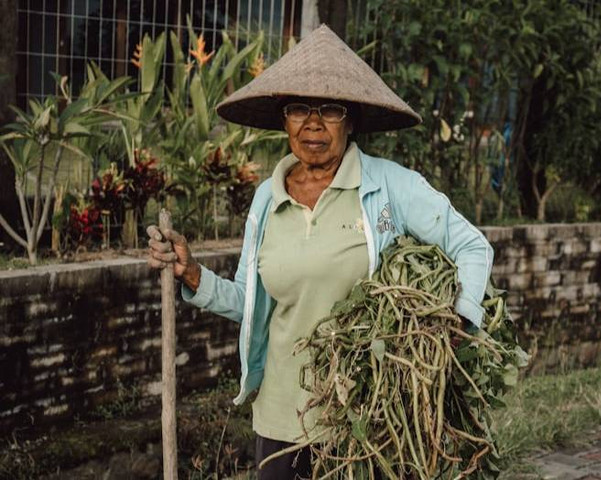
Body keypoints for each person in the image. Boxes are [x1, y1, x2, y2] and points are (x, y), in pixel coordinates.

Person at [147, 25, 494, 480]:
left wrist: (460, 319)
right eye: (298, 109)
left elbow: (470, 244)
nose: (313, 123)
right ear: (283, 119)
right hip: (281, 418)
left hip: (371, 418)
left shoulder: (389, 186)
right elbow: (253, 302)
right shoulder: (266, 201)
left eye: (329, 109)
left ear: (350, 120)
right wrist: (192, 274)